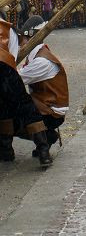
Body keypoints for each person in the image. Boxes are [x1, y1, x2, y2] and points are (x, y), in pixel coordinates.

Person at [0, 10, 53, 167]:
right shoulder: (8, 29)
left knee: (3, 109)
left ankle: (6, 152)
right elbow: (13, 58)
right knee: (27, 108)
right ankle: (43, 151)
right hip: (5, 70)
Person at [18, 18, 69, 159]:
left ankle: (44, 146)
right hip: (44, 105)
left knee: (15, 110)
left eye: (22, 39)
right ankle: (46, 138)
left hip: (51, 112)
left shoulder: (41, 61)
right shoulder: (38, 55)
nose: (20, 44)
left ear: (30, 38)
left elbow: (17, 80)